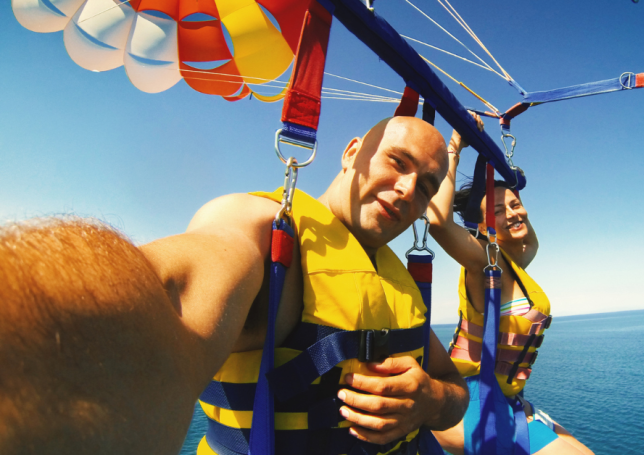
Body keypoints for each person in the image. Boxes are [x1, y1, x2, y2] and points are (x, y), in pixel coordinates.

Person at [0, 116, 469, 455]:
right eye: (397, 161)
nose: (409, 190)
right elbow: (172, 290)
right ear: (351, 154)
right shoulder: (268, 231)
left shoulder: (399, 280)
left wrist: (428, 397)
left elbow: (453, 392)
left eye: (428, 186)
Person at [426, 115, 594, 455]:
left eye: (516, 205)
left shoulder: (518, 262)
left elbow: (527, 238)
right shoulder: (483, 263)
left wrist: (496, 165)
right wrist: (457, 145)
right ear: (486, 226)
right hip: (470, 397)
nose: (515, 214)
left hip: (506, 399)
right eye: (501, 211)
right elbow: (439, 223)